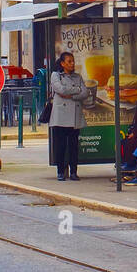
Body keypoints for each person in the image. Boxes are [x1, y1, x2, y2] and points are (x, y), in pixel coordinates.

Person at [49, 52, 97, 182]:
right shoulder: (56, 75)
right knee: (61, 146)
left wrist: (71, 94)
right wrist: (76, 90)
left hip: (75, 116)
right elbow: (60, 90)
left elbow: (85, 93)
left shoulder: (78, 76)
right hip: (60, 116)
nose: (72, 64)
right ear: (62, 63)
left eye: (73, 61)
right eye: (69, 61)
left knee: (74, 146)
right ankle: (60, 171)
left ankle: (74, 171)